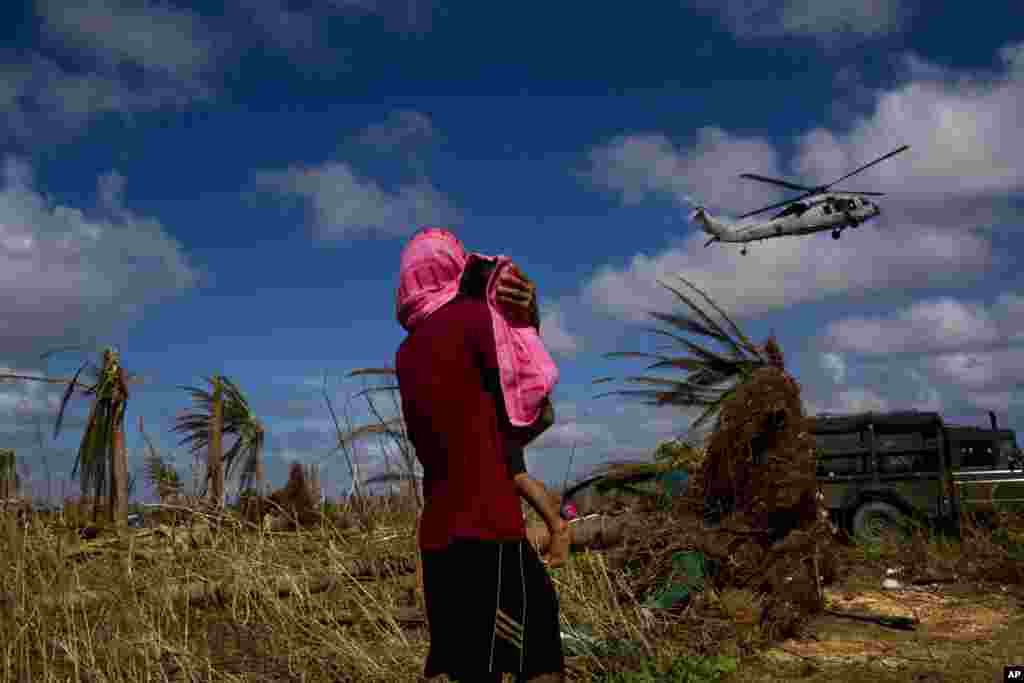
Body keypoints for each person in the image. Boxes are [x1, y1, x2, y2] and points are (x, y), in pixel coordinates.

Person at [396, 228, 566, 683]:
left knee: (473, 670)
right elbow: (533, 404)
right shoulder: (475, 319)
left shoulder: (406, 353)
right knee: (540, 657)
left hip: (439, 544)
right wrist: (528, 318)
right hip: (490, 533)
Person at [460, 254, 571, 568]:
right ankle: (553, 517)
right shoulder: (513, 324)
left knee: (514, 474)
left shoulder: (492, 326)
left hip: (507, 416)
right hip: (527, 412)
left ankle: (557, 527)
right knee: (513, 473)